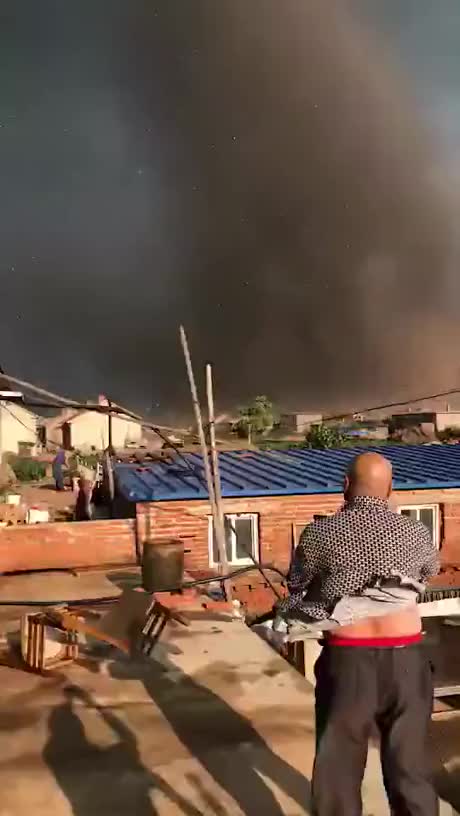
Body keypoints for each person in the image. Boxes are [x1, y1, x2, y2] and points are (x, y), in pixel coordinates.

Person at [283, 452, 439, 816]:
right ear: (391, 489)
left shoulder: (320, 533)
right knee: (410, 769)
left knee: (338, 773)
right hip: (406, 661)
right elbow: (426, 574)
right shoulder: (414, 531)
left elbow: (298, 588)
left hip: (348, 662)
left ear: (345, 486)